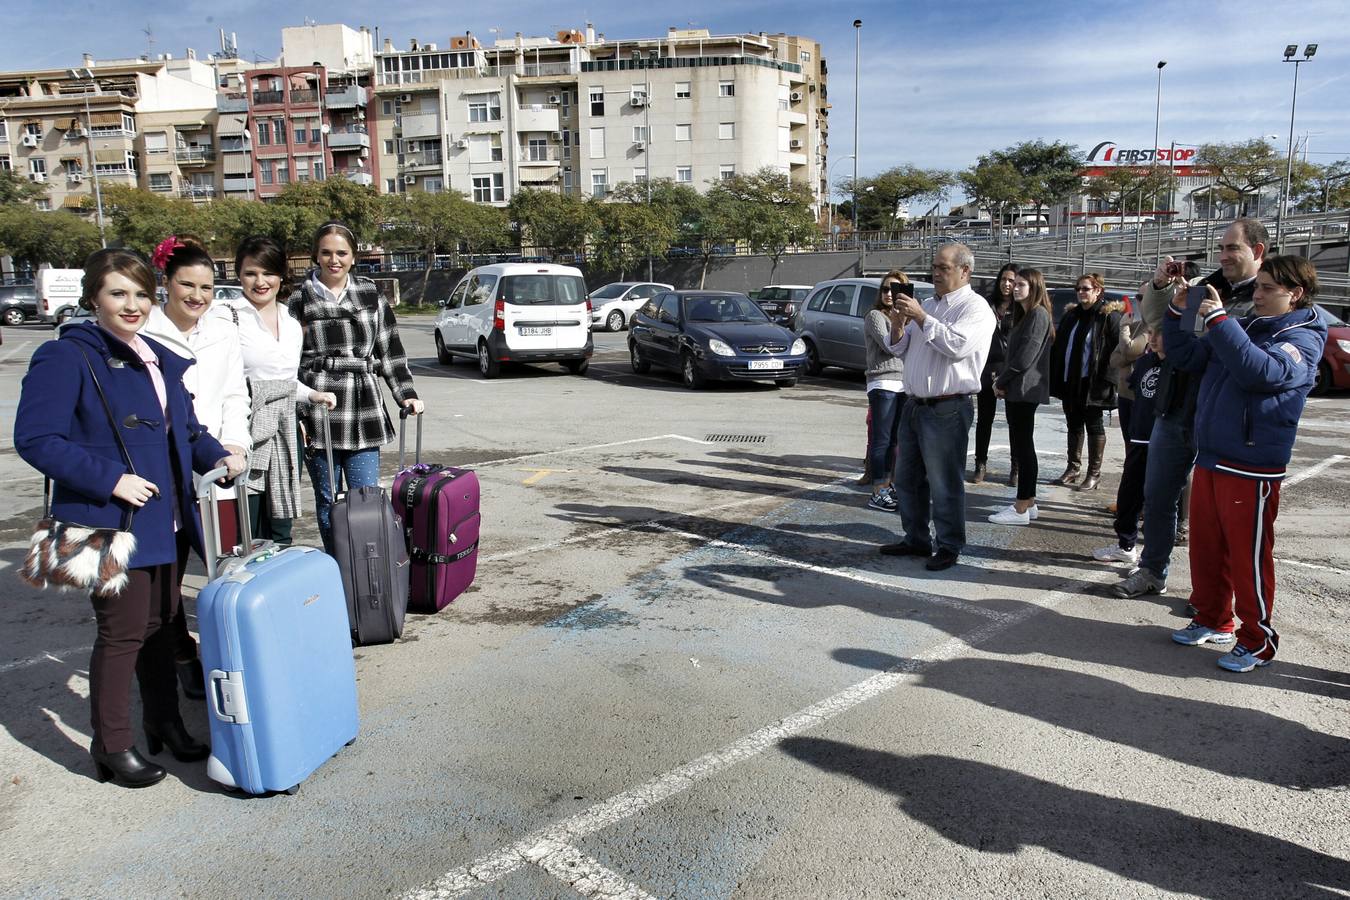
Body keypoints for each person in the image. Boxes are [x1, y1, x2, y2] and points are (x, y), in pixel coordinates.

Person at [14, 249, 243, 788]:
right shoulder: (66, 356)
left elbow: (185, 429)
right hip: (105, 519)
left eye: (141, 293)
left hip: (167, 519)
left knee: (164, 627)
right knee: (121, 635)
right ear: (94, 296)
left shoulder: (156, 356)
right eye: (119, 293)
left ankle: (163, 723)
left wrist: (220, 457)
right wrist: (110, 479)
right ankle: (111, 746)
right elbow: (35, 439)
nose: (132, 304)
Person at [1163, 255, 1326, 672]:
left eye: (1269, 288)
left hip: (1253, 466)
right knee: (1205, 548)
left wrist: (1219, 318)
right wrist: (1178, 312)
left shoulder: (1304, 336)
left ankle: (1257, 641)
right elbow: (1189, 358)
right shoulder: (1249, 325)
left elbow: (1262, 373)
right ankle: (1213, 618)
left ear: (1297, 294)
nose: (1258, 293)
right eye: (1259, 286)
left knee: (1247, 557)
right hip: (1214, 455)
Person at [1115, 219, 1267, 599]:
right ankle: (1152, 571)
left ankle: (1216, 598)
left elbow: (1246, 359)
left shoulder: (1267, 296)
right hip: (1176, 408)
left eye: (1233, 248)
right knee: (1159, 495)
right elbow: (1163, 330)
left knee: (1218, 513)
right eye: (1222, 248)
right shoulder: (1207, 288)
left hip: (1225, 418)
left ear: (1258, 251)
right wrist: (1162, 287)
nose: (1224, 255)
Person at [140, 236, 250, 701]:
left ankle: (238, 665)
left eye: (206, 287)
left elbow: (232, 394)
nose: (197, 296)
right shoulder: (142, 329)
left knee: (230, 572)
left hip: (215, 471)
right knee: (165, 590)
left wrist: (233, 445)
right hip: (162, 473)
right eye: (187, 284)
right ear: (165, 283)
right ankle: (183, 657)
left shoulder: (222, 331)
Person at [289, 222, 423, 552]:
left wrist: (406, 394)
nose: (334, 260)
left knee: (365, 498)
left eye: (341, 253)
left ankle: (367, 568)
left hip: (362, 404)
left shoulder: (370, 294)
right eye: (326, 253)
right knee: (328, 500)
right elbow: (287, 362)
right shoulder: (298, 300)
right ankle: (337, 570)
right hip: (317, 405)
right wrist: (298, 411)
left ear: (353, 257)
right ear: (316, 256)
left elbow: (390, 349)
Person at [877, 243, 995, 571]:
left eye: (943, 268)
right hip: (915, 404)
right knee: (906, 478)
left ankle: (949, 544)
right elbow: (899, 348)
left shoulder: (976, 308)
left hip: (948, 407)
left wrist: (921, 317)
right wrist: (900, 322)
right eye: (934, 267)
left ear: (964, 271)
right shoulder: (927, 304)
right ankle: (916, 538)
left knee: (944, 482)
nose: (936, 273)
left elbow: (956, 346)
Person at [224, 236, 336, 547]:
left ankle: (276, 584)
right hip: (244, 431)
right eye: (250, 273)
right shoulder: (227, 316)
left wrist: (313, 395)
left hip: (286, 430)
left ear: (281, 275)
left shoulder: (290, 321)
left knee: (281, 519)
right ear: (238, 275)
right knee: (248, 518)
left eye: (268, 273)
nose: (260, 282)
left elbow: (287, 382)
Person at [988, 268, 1054, 526]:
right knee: (1024, 445)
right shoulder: (1026, 314)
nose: (1015, 288)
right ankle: (1030, 503)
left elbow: (1025, 357)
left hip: (1025, 389)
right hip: (1020, 388)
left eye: (1021, 284)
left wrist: (1001, 381)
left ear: (1034, 286)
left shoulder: (1038, 314)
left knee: (1023, 447)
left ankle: (1020, 507)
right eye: (1014, 284)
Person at [1092, 328, 1163, 565]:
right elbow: (1126, 375)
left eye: (1159, 334)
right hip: (1140, 437)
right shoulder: (1145, 362)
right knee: (1129, 493)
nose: (1152, 339)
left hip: (1164, 441)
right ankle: (1126, 545)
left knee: (1159, 502)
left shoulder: (1179, 364)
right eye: (1151, 333)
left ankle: (1154, 562)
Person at [1049, 273, 1122, 491]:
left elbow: (1116, 351)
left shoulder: (1108, 316)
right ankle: (1073, 468)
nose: (1081, 292)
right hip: (1071, 380)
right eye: (1078, 288)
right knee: (1073, 424)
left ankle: (1094, 474)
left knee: (1094, 425)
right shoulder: (1073, 315)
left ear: (1098, 290)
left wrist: (1109, 381)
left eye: (1086, 288)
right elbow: (1060, 348)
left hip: (1095, 382)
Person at [862, 269, 910, 512]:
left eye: (896, 289)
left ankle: (888, 485)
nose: (889, 294)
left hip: (903, 384)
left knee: (895, 440)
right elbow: (892, 346)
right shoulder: (875, 316)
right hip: (882, 383)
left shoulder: (907, 318)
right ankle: (878, 489)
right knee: (881, 440)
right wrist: (901, 322)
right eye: (885, 289)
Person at [973, 263, 1018, 485]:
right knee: (984, 419)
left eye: (1011, 280)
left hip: (1011, 369)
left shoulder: (1021, 307)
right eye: (1003, 279)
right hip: (987, 366)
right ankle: (980, 464)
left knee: (1014, 420)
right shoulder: (987, 304)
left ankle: (1015, 467)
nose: (1007, 284)